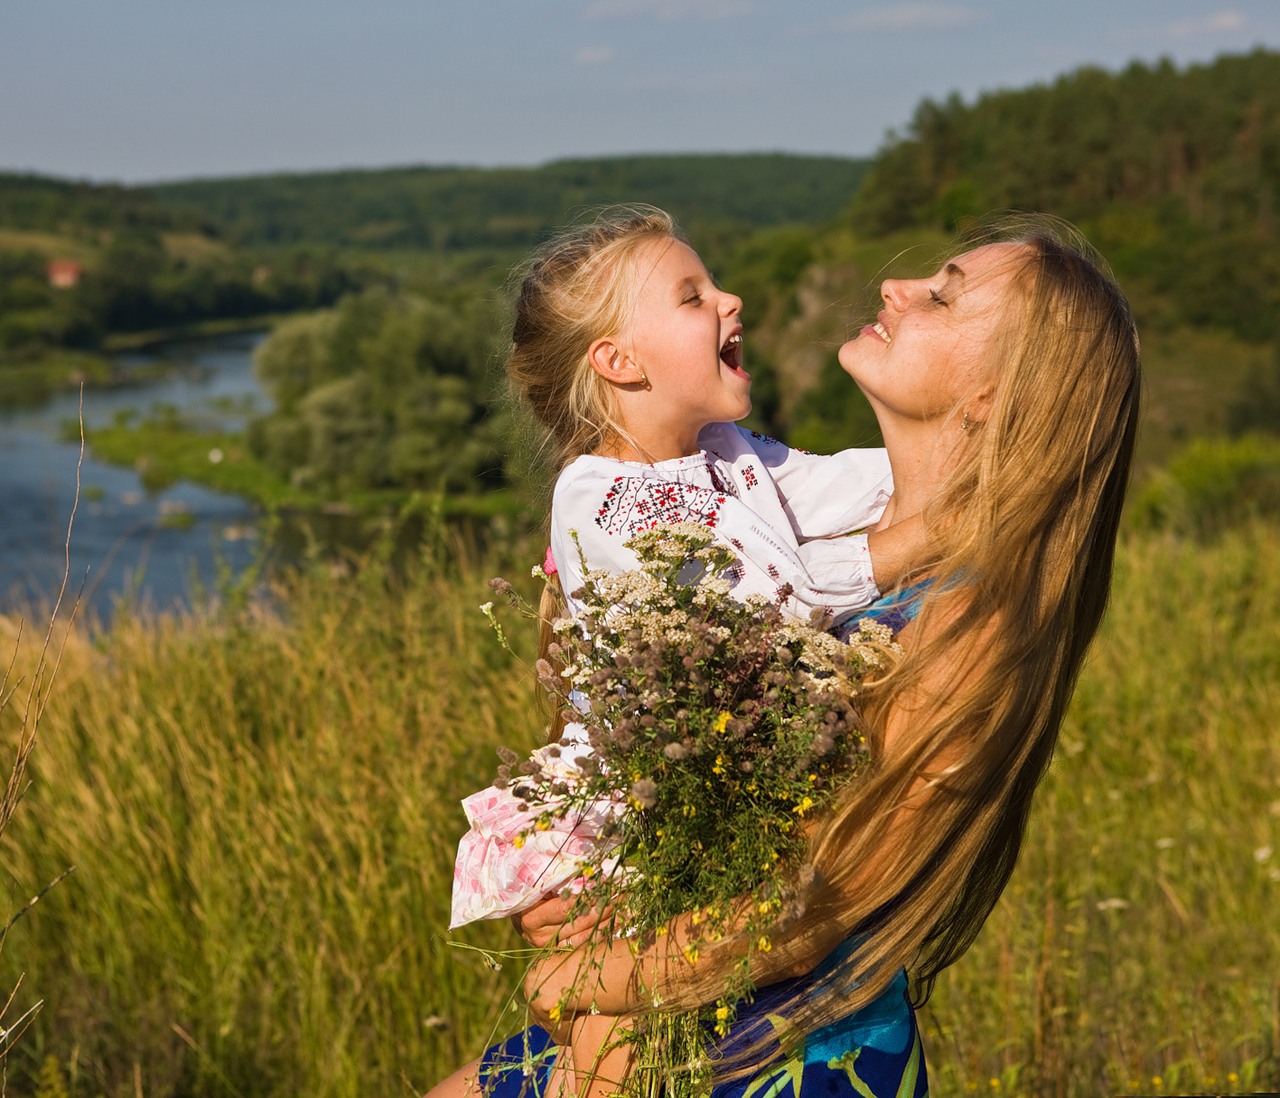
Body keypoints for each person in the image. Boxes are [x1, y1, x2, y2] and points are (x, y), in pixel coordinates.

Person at [457, 212, 1141, 1098]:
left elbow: (823, 902)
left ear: (991, 394)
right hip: (675, 1003)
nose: (895, 287)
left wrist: (582, 977)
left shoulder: (969, 613)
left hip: (785, 1050)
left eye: (942, 296)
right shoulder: (754, 505)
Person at [439, 205, 929, 1097]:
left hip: (690, 794)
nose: (730, 299)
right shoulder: (604, 498)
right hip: (620, 813)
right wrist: (920, 538)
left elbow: (838, 485)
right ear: (619, 364)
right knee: (614, 1035)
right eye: (692, 296)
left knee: (650, 1022)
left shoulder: (728, 454)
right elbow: (766, 608)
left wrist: (965, 456)